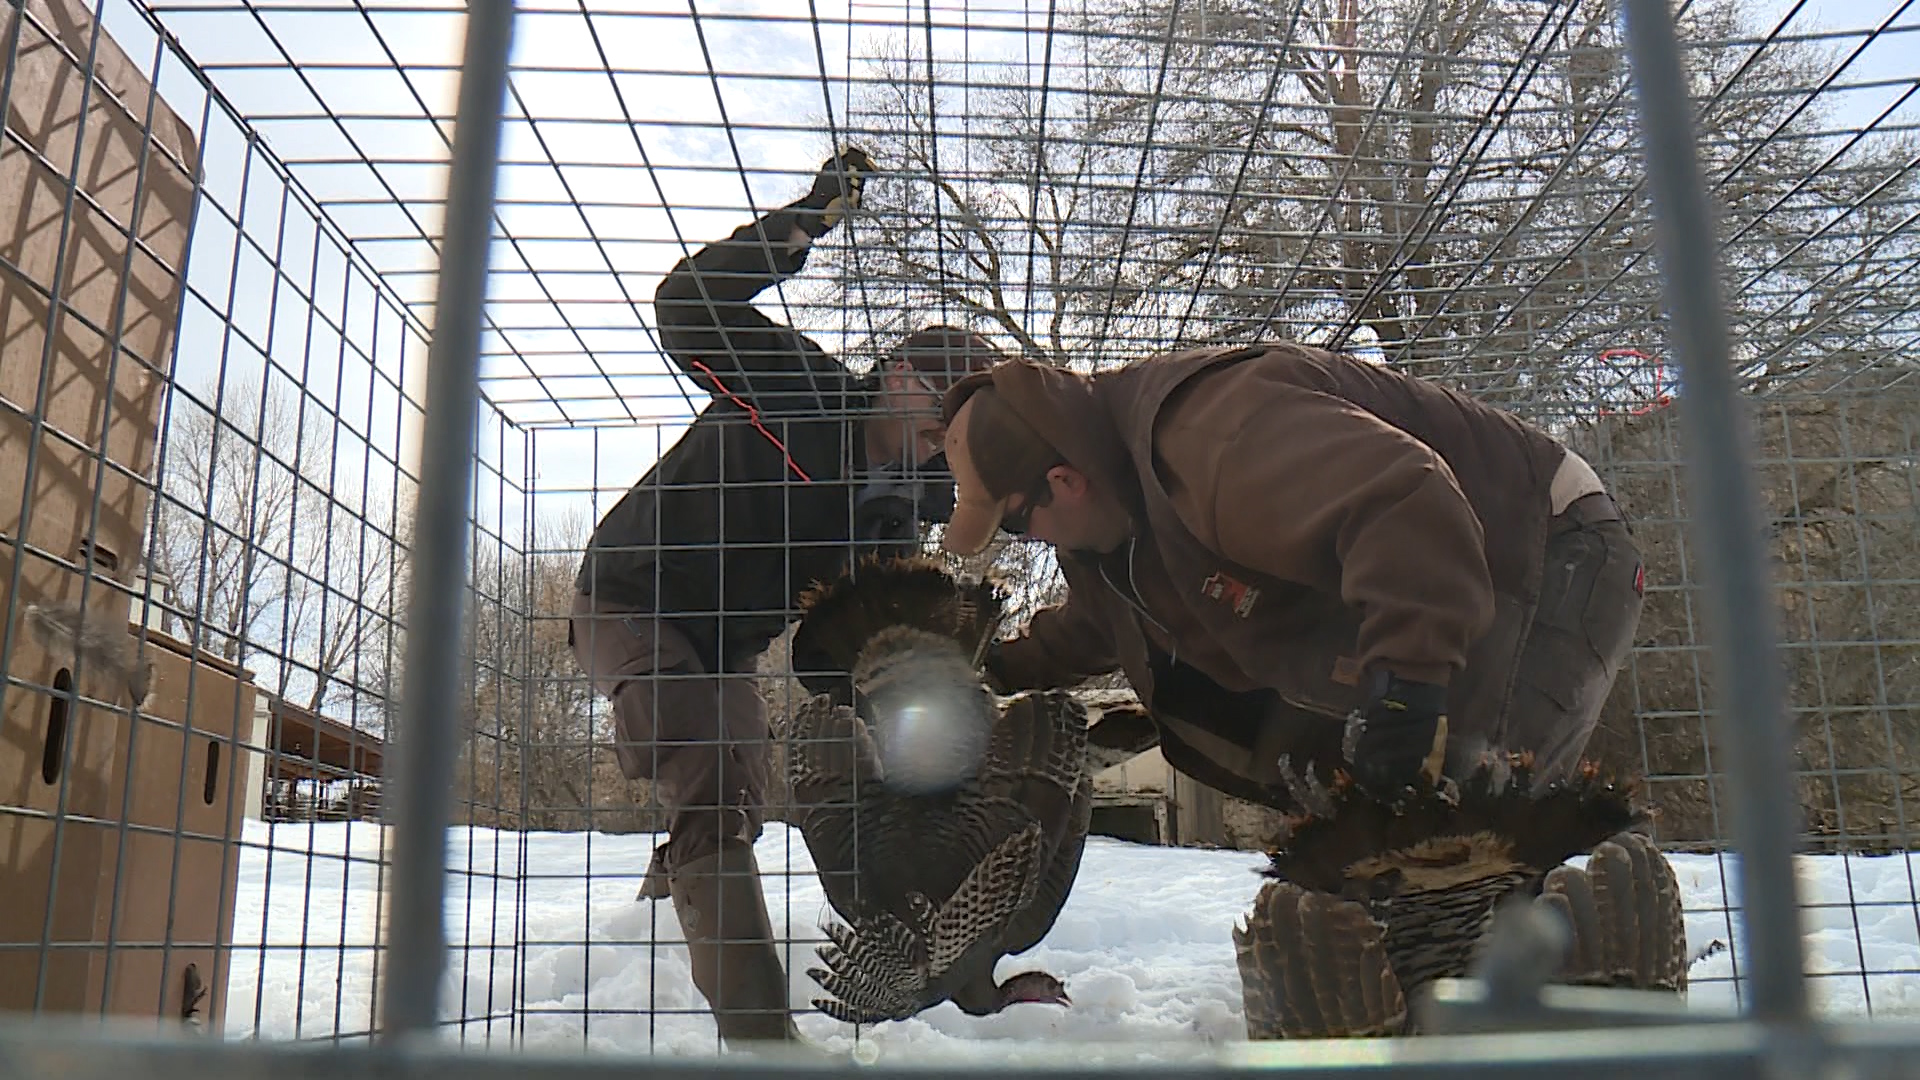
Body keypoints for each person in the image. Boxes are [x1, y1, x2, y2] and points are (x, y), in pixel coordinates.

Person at [569, 147, 1002, 1048]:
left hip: (724, 641)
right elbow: (686, 310)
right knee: (703, 759)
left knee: (740, 790)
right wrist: (798, 227)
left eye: (965, 409)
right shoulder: (800, 386)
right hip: (629, 595)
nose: (943, 418)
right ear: (893, 372)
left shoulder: (903, 525)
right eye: (937, 383)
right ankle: (762, 1039)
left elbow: (846, 655)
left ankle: (661, 906)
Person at [937, 342, 1644, 813]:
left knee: (1475, 839)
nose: (1019, 540)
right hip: (1450, 572)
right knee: (1406, 853)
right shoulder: (1109, 539)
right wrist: (988, 670)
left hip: (1542, 544)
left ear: (1064, 482)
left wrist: (1405, 692)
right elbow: (1097, 626)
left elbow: (1404, 503)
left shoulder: (1210, 439)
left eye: (1012, 522)